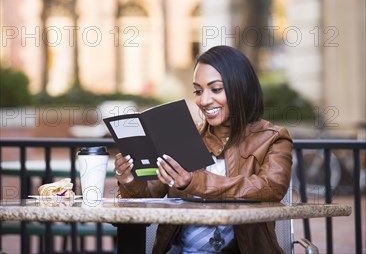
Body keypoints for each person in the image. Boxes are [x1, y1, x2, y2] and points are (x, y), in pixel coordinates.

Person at [115, 45, 293, 253]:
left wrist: (194, 182)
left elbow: (271, 188)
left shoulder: (273, 138)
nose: (204, 100)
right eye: (198, 91)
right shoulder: (185, 138)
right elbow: (146, 198)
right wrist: (130, 180)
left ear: (241, 87)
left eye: (216, 89)